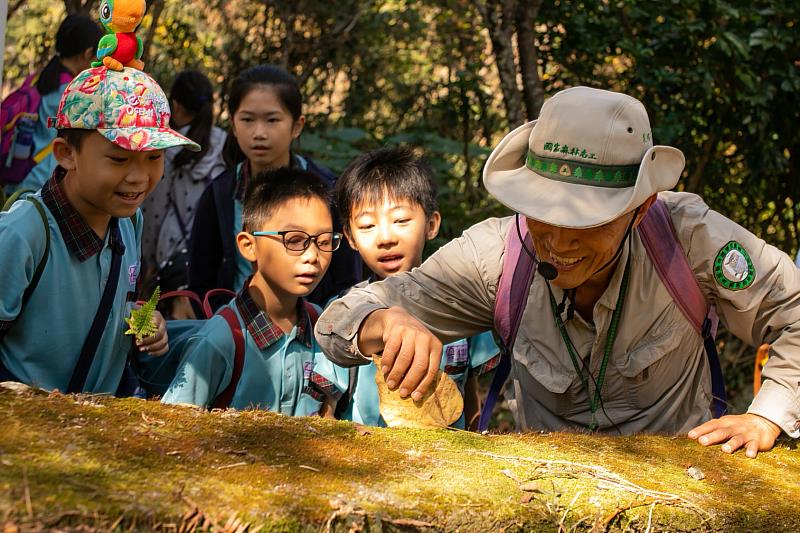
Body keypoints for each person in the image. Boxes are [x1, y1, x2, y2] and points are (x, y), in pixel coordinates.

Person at [314, 87, 800, 457]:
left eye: (588, 222)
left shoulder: (688, 240)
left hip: (677, 493)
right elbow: (339, 321)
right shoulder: (496, 256)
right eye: (544, 214)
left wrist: (768, 415)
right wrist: (383, 322)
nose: (560, 242)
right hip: (546, 498)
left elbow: (793, 309)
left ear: (641, 206)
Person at [0, 65, 200, 393]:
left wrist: (142, 319)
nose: (139, 177)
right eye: (119, 159)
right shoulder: (24, 234)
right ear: (66, 154)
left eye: (154, 157)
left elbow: (113, 300)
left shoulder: (129, 221)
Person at [305, 147, 500, 429]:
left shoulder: (463, 303)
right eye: (368, 225)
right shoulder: (343, 313)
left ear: (431, 224)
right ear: (350, 237)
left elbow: (471, 392)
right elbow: (327, 408)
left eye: (401, 221)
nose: (385, 238)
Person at [162, 167, 337, 413]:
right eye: (294, 240)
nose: (312, 256)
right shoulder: (221, 341)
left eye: (325, 241)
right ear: (249, 246)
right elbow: (173, 428)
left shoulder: (321, 326)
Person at [188, 64, 361, 310]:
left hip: (318, 331)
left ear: (297, 126)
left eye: (272, 120)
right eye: (247, 119)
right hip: (238, 333)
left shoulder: (328, 191)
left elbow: (347, 279)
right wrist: (225, 326)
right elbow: (201, 281)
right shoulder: (220, 194)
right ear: (234, 125)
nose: (259, 133)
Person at [139, 70, 227, 318]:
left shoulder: (166, 149)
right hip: (214, 252)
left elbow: (154, 210)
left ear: (175, 105)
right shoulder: (225, 144)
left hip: (173, 253)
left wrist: (148, 261)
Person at [5, 15, 104, 194]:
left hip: (18, 178)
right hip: (40, 187)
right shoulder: (73, 94)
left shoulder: (37, 78)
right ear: (88, 53)